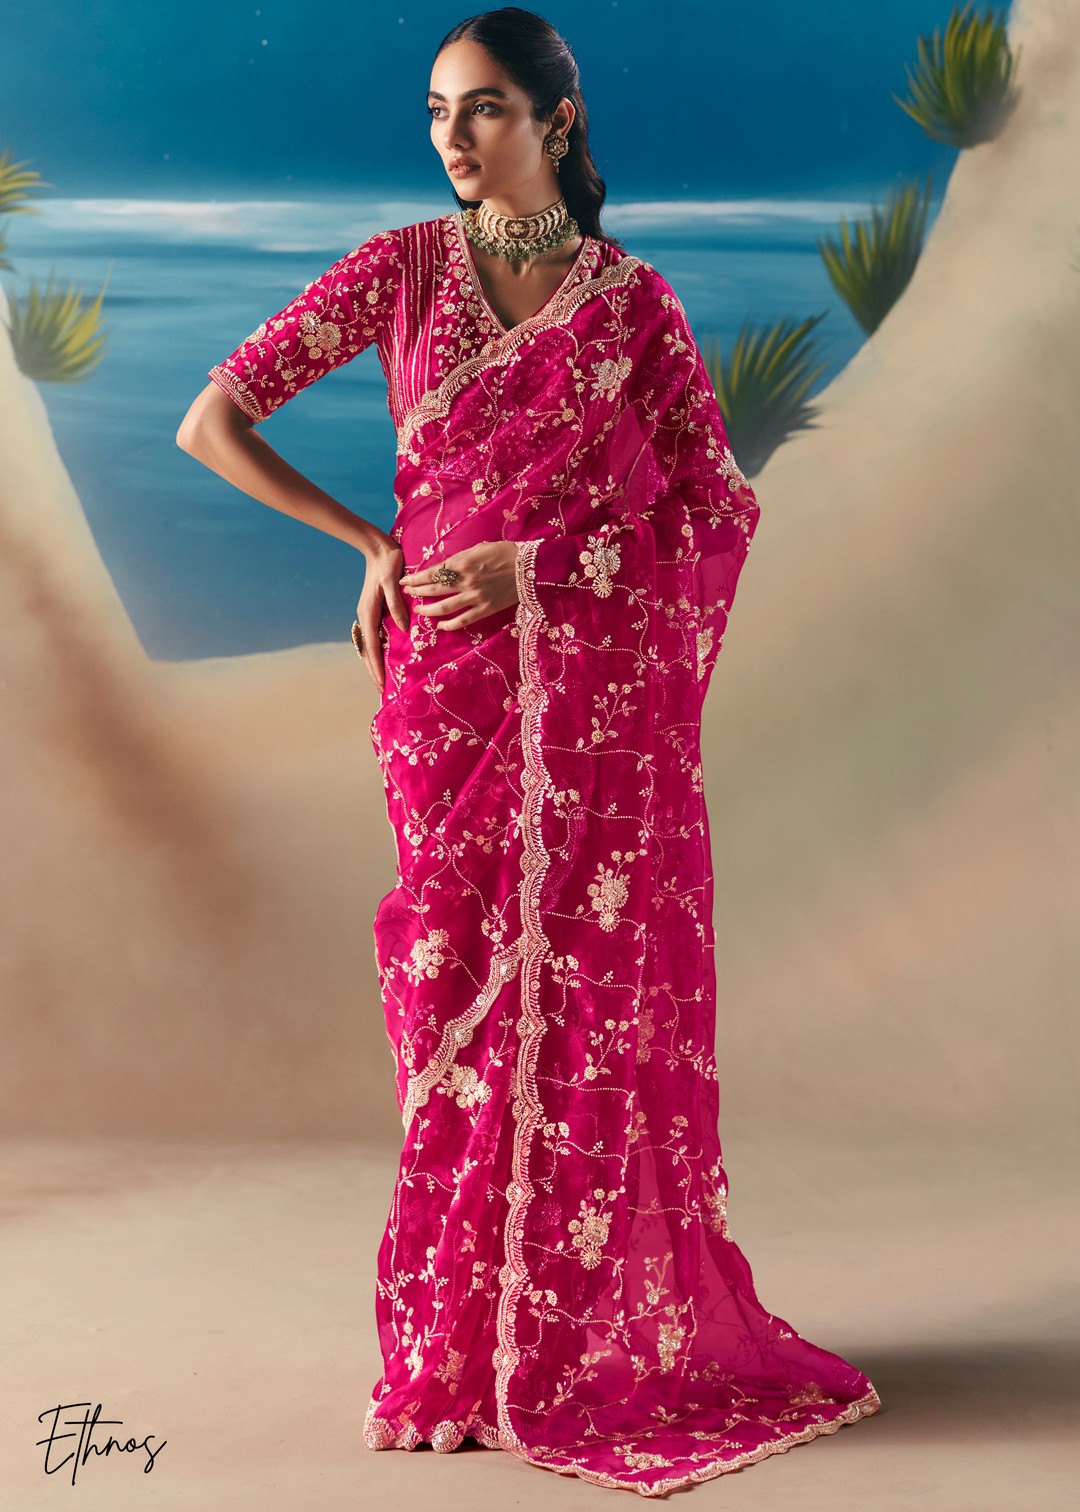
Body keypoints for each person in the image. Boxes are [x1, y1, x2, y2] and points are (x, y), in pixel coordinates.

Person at [177, 6, 879, 1495]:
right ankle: (451, 1350)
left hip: (588, 708)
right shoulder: (400, 271)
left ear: (557, 120)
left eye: (484, 106)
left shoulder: (633, 309)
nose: (452, 136)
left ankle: (548, 1346)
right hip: (443, 700)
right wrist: (371, 541)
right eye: (438, 110)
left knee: (575, 1001)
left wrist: (542, 569)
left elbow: (714, 509)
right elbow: (212, 419)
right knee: (448, 994)